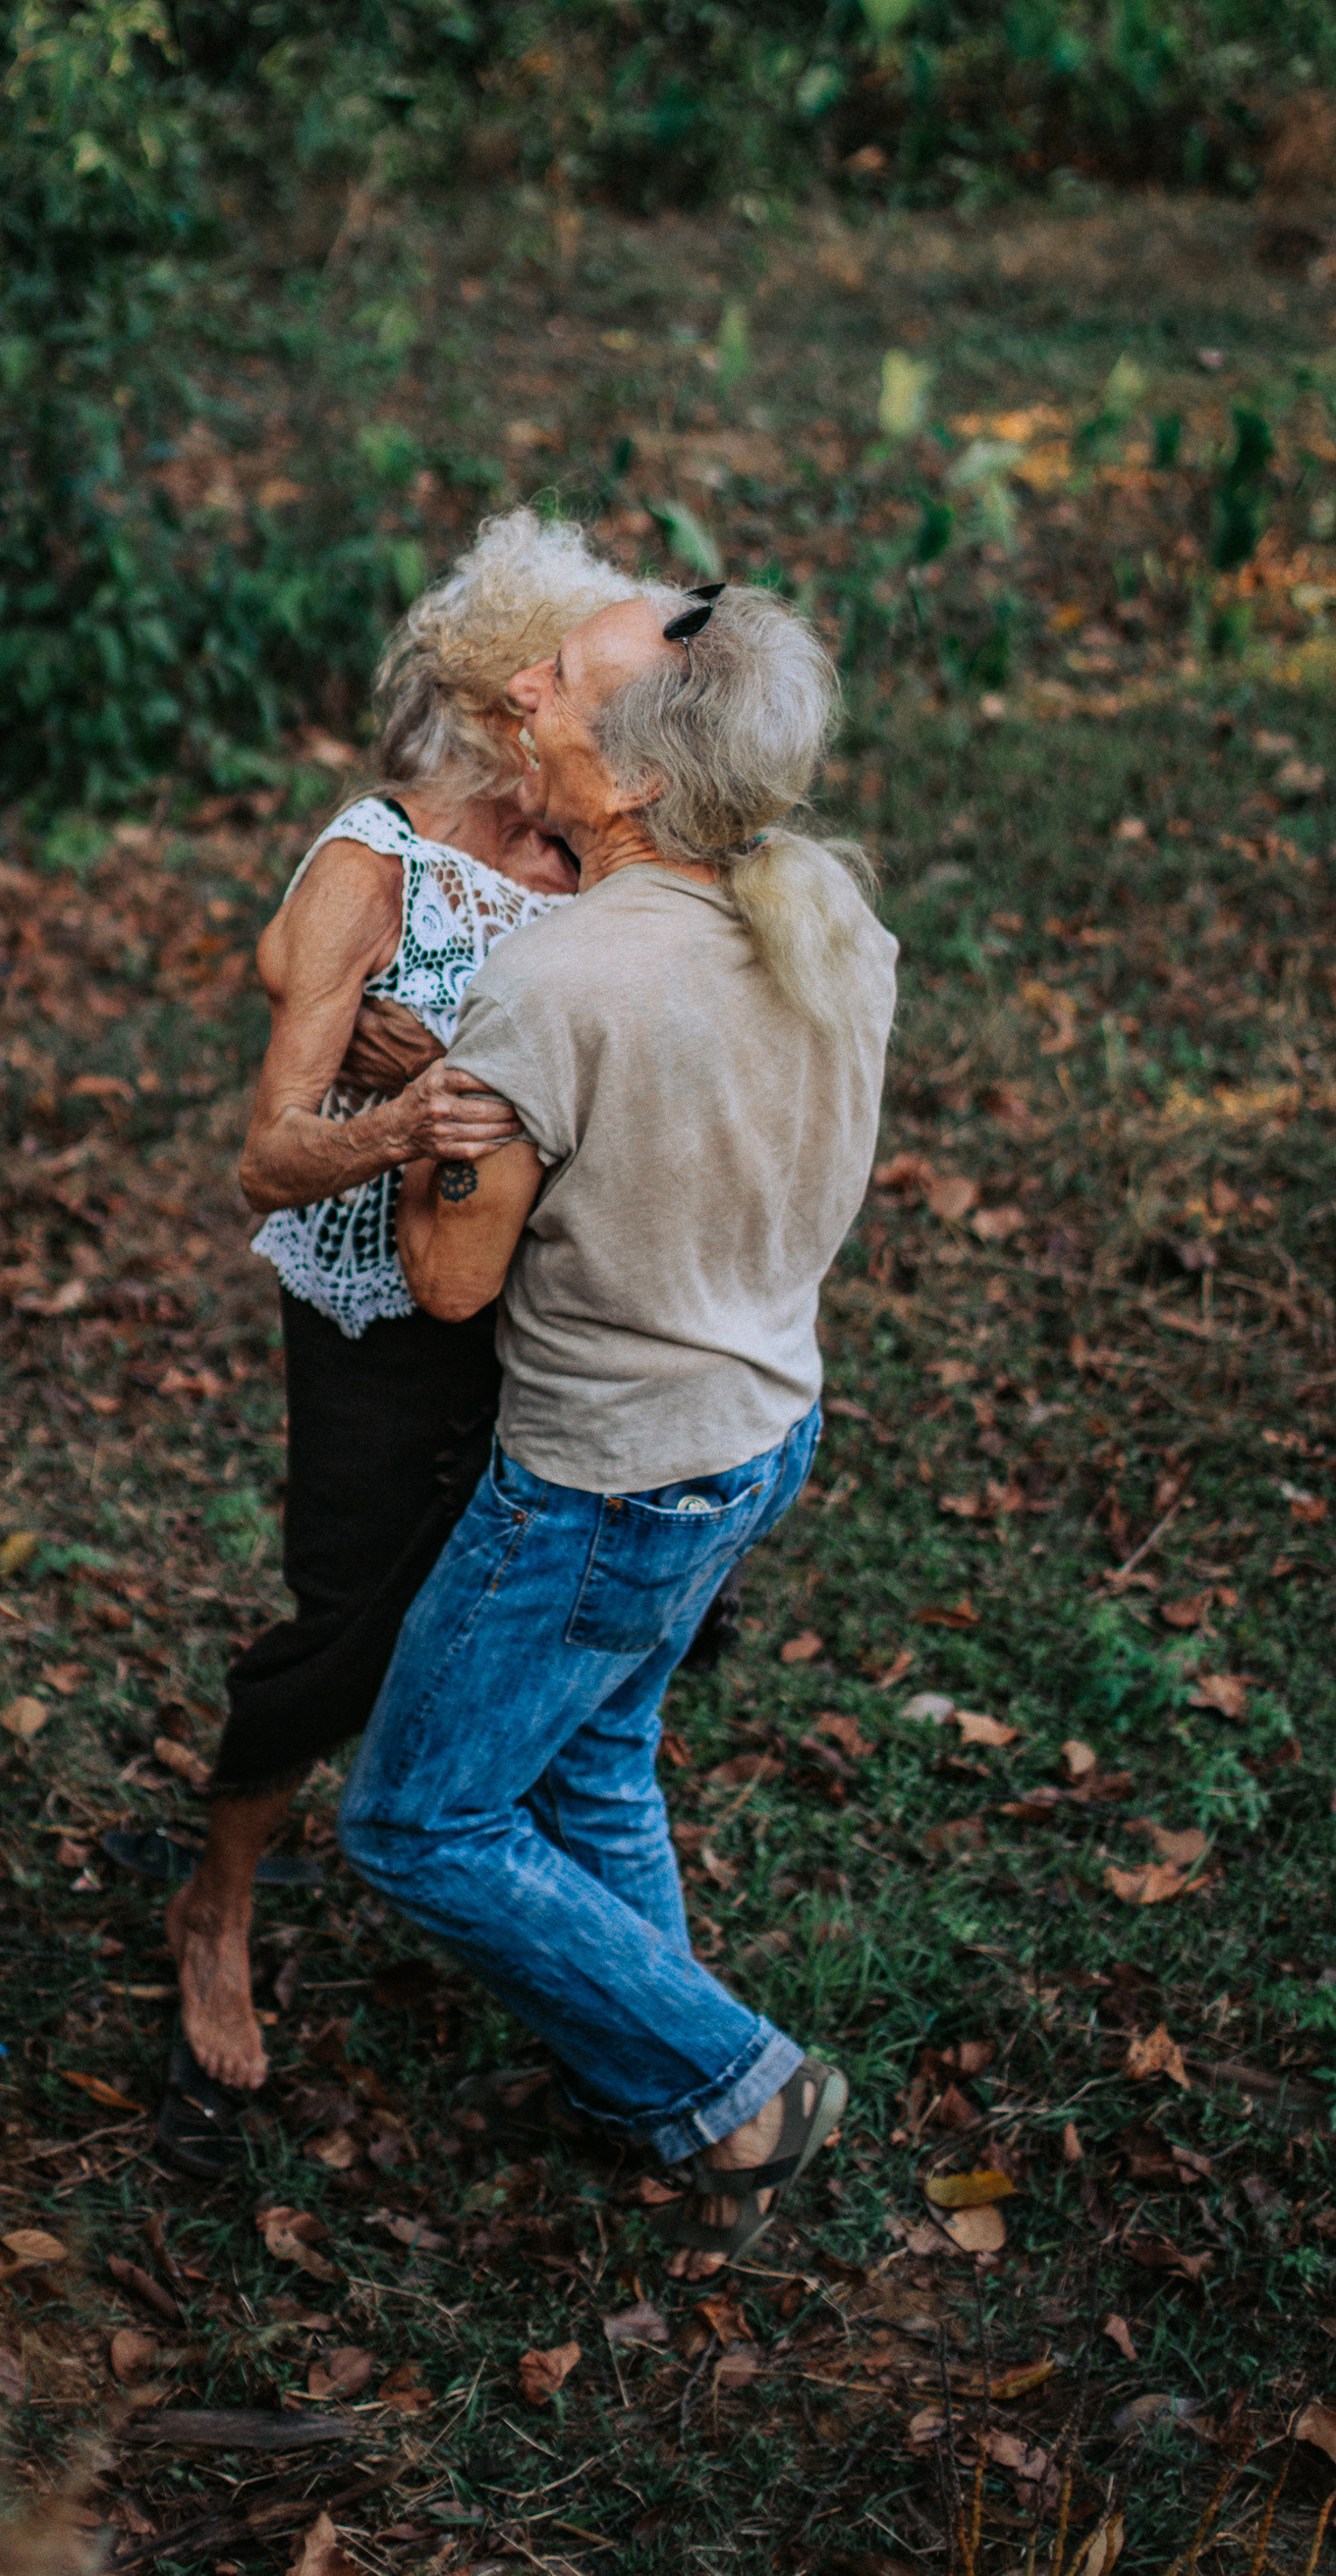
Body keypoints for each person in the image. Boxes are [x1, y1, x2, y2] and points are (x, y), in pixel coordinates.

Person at [336, 579, 897, 2280]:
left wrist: (421, 1107)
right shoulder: (827, 922)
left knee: (416, 1823)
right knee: (592, 1756)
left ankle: (736, 2079)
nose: (521, 687)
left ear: (640, 778)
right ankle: (643, 2083)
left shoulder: (557, 978)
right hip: (757, 1428)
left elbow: (450, 1281)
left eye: (561, 680)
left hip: (602, 1479)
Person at [135, 511, 638, 2174]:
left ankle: (569, 1939)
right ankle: (217, 1906)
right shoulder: (379, 864)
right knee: (348, 1619)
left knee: (540, 1611)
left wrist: (465, 1076)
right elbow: (267, 1156)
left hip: (552, 1312)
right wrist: (406, 1117)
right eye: (570, 692)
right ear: (503, 709)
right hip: (375, 1308)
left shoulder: (614, 853)